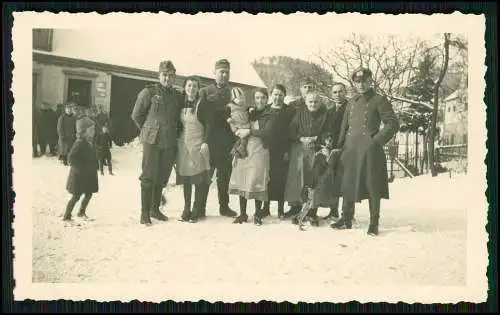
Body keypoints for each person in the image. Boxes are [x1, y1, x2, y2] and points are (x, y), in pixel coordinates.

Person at [330, 68, 400, 236]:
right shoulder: (352, 102)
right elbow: (344, 126)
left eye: (364, 81)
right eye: (357, 81)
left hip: (369, 150)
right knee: (347, 183)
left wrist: (375, 141)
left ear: (370, 81)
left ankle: (374, 222)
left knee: (372, 185)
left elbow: (392, 123)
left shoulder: (379, 100)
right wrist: (339, 146)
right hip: (350, 149)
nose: (360, 84)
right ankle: (346, 218)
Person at [131, 60, 183, 226]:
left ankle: (155, 209)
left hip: (168, 142)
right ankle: (144, 212)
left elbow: (178, 120)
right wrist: (148, 130)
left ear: (174, 77)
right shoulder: (149, 92)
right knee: (148, 176)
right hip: (152, 141)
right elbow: (136, 115)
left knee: (162, 176)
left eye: (171, 76)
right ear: (159, 75)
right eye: (164, 75)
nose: (167, 79)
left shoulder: (177, 96)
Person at [197, 59, 238, 218]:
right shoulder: (205, 92)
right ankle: (200, 208)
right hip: (209, 140)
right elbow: (199, 116)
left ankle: (224, 207)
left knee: (224, 177)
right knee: (205, 175)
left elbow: (239, 113)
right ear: (214, 73)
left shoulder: (233, 93)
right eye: (221, 71)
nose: (224, 75)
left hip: (227, 141)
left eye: (227, 72)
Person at [284, 92, 331, 227]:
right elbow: (291, 131)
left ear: (320, 102)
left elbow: (328, 132)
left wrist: (318, 139)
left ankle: (312, 212)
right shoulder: (299, 113)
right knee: (300, 179)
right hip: (300, 150)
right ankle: (299, 210)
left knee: (314, 180)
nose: (313, 104)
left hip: (316, 150)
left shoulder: (325, 114)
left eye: (316, 101)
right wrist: (301, 138)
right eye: (310, 101)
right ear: (305, 102)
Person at [228, 88, 274, 225]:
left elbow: (267, 132)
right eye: (257, 98)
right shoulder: (249, 111)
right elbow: (237, 121)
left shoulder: (270, 114)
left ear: (267, 99)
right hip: (246, 149)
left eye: (263, 98)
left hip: (260, 150)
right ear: (254, 99)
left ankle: (258, 214)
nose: (260, 100)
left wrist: (248, 131)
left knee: (256, 180)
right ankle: (242, 214)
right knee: (243, 178)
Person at [176, 76, 211, 223]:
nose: (191, 89)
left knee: (197, 179)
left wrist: (205, 142)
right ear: (185, 88)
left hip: (197, 145)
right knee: (186, 178)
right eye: (189, 86)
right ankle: (186, 208)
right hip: (183, 145)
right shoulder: (180, 104)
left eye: (195, 86)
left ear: (198, 89)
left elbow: (209, 124)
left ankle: (196, 209)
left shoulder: (202, 105)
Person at [314, 82, 350, 221]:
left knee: (345, 180)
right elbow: (324, 130)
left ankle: (347, 213)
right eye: (334, 92)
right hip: (332, 149)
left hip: (346, 148)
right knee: (333, 178)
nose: (337, 94)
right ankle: (334, 210)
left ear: (345, 92)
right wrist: (326, 141)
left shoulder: (350, 108)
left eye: (340, 91)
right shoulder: (329, 111)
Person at [282, 77, 316, 218]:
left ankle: (310, 208)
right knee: (295, 176)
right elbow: (285, 125)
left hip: (312, 145)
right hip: (296, 144)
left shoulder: (317, 103)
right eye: (305, 87)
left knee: (311, 176)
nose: (307, 89)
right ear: (300, 89)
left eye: (310, 86)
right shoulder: (293, 105)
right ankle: (294, 206)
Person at [259, 84, 291, 219]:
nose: (278, 97)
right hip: (266, 150)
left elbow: (290, 132)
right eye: (275, 94)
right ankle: (265, 208)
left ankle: (280, 209)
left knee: (280, 179)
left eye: (281, 95)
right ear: (271, 95)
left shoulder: (289, 111)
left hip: (282, 150)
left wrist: (287, 151)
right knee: (267, 178)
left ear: (284, 96)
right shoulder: (265, 109)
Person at [62, 116, 99, 223]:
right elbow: (71, 158)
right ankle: (67, 215)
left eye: (93, 129)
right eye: (91, 130)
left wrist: (95, 165)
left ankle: (81, 212)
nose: (93, 132)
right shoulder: (79, 143)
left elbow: (91, 155)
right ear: (83, 132)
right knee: (76, 196)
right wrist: (81, 169)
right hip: (79, 176)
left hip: (88, 175)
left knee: (88, 194)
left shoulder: (89, 141)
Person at [227, 87, 251, 162]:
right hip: (236, 125)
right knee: (242, 139)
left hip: (244, 125)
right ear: (233, 99)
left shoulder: (245, 105)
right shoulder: (230, 106)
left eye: (242, 98)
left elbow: (249, 107)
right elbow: (224, 113)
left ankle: (236, 152)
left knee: (244, 139)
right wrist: (227, 118)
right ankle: (237, 152)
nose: (241, 100)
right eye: (238, 99)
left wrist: (250, 109)